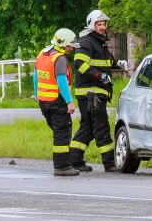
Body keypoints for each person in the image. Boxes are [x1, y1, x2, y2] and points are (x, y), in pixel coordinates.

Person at [69, 10, 128, 172]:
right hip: (90, 93)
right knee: (101, 125)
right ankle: (109, 163)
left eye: (104, 24)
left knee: (88, 127)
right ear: (91, 25)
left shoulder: (99, 42)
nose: (102, 27)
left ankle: (74, 159)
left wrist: (117, 64)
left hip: (95, 92)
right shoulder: (86, 41)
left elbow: (105, 61)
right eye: (99, 24)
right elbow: (80, 65)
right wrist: (98, 75)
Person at [34, 28, 80, 176]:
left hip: (44, 102)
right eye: (69, 45)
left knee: (58, 132)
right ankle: (62, 167)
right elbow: (62, 82)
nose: (71, 48)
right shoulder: (59, 58)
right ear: (62, 44)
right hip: (57, 101)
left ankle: (64, 163)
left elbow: (36, 77)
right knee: (62, 133)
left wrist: (37, 96)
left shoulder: (42, 54)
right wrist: (70, 101)